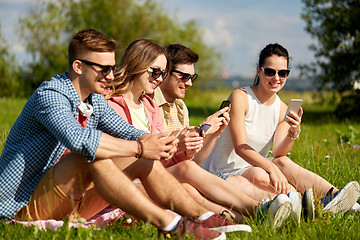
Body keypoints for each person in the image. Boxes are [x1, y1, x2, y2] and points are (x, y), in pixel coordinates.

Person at [0, 28, 244, 240]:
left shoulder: (94, 99)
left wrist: (157, 142)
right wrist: (139, 148)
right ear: (78, 66)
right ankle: (169, 223)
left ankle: (202, 217)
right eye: (103, 69)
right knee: (92, 155)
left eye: (111, 67)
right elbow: (80, 140)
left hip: (69, 201)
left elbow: (128, 131)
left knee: (140, 156)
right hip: (21, 206)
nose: (110, 75)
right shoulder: (51, 95)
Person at [106, 39, 296, 229]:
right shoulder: (113, 106)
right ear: (137, 66)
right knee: (188, 172)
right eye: (157, 73)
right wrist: (177, 143)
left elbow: (180, 161)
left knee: (188, 180)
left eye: (192, 78)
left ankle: (245, 220)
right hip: (127, 180)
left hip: (156, 174)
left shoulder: (152, 107)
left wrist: (207, 135)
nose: (188, 83)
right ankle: (257, 211)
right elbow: (122, 155)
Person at [202, 43, 360, 218]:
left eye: (283, 73)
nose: (276, 78)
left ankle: (335, 196)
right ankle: (304, 206)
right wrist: (271, 168)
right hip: (220, 171)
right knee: (262, 175)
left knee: (280, 163)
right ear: (258, 71)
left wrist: (293, 132)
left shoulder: (282, 109)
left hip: (251, 167)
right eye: (270, 72)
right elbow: (241, 147)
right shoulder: (241, 97)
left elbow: (278, 151)